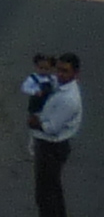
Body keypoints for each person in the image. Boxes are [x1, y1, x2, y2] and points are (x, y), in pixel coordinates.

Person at [29, 52, 82, 217]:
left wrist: (35, 122)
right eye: (58, 70)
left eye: (65, 71)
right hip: (49, 146)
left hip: (51, 148)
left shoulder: (69, 99)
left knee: (45, 195)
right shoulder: (59, 85)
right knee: (52, 190)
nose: (59, 74)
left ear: (75, 73)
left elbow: (51, 128)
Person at [25, 53, 59, 156]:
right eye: (41, 68)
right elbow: (25, 88)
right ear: (36, 67)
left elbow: (58, 88)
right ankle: (33, 147)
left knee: (48, 126)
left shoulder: (53, 80)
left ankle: (49, 146)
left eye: (46, 69)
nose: (43, 71)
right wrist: (35, 91)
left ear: (51, 69)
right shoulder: (33, 79)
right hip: (36, 106)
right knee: (35, 128)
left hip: (48, 107)